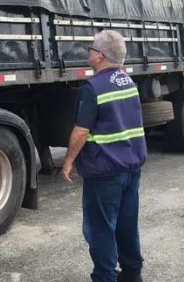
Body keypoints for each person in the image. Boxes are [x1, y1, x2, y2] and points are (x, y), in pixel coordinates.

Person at [61, 30, 147, 282]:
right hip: (131, 167)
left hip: (105, 171)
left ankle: (105, 277)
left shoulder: (93, 87)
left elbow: (81, 131)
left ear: (99, 55)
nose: (88, 52)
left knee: (100, 228)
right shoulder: (128, 82)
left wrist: (68, 162)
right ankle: (132, 273)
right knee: (127, 223)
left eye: (90, 49)